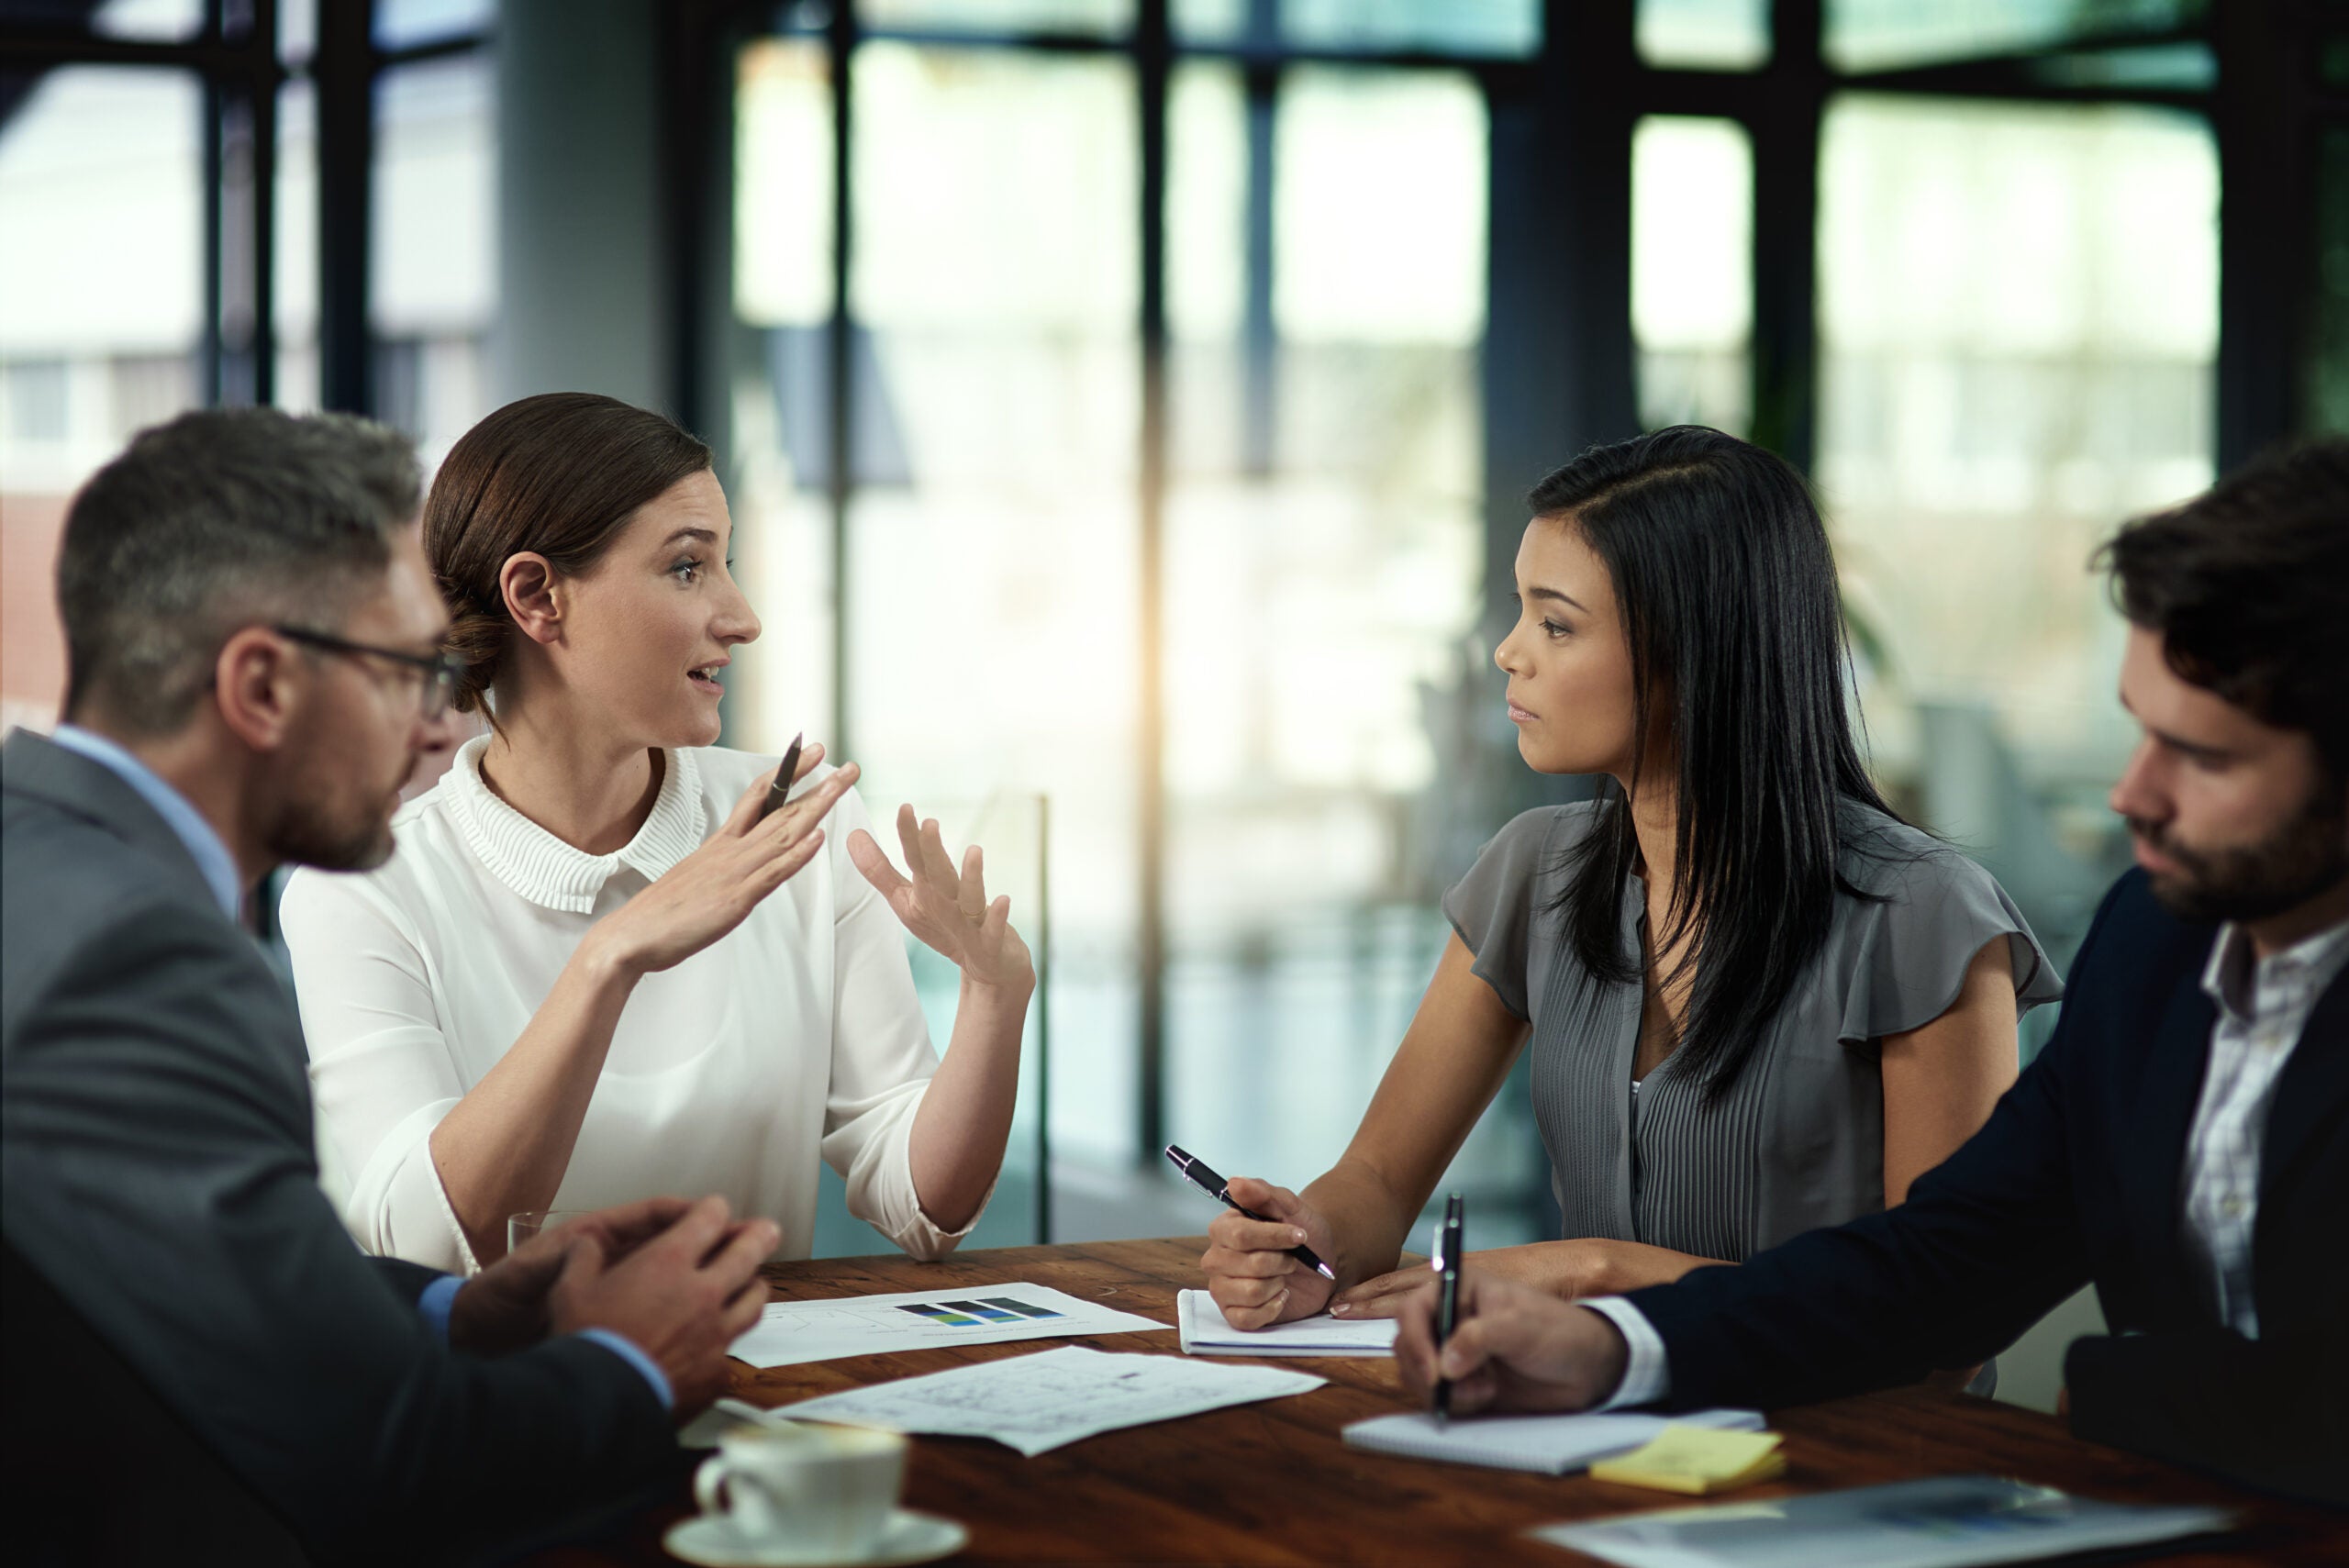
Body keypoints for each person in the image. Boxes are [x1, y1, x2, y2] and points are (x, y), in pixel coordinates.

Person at [1389, 439, 2349, 1507]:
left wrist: (2118, 1396)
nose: (2131, 795)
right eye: (2139, 732)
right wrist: (1613, 1348)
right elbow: (1938, 1267)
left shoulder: (1933, 911)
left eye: (2204, 757)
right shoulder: (2156, 943)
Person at [1, 407, 780, 1564]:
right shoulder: (135, 954)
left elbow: (199, 1276)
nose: (435, 731)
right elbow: (385, 1464)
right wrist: (628, 1358)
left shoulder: (41, 862)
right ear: (261, 686)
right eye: (409, 671)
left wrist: (451, 1306)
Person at [1202, 427, 2060, 1334]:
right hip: (1582, 1429)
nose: (1509, 651)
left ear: (1695, 653)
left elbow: (1943, 1318)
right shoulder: (1533, 870)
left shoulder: (1922, 916)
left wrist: (1591, 1270)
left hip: (1836, 1454)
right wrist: (1308, 1238)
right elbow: (1375, 1179)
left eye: (1556, 622)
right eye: (1520, 610)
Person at [280, 392, 1033, 1273]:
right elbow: (427, 1235)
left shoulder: (801, 828)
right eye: (687, 568)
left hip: (752, 1396)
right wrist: (613, 957)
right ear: (537, 596)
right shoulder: (364, 889)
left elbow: (919, 1204)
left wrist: (995, 998)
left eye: (727, 564)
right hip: (504, 1403)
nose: (743, 617)